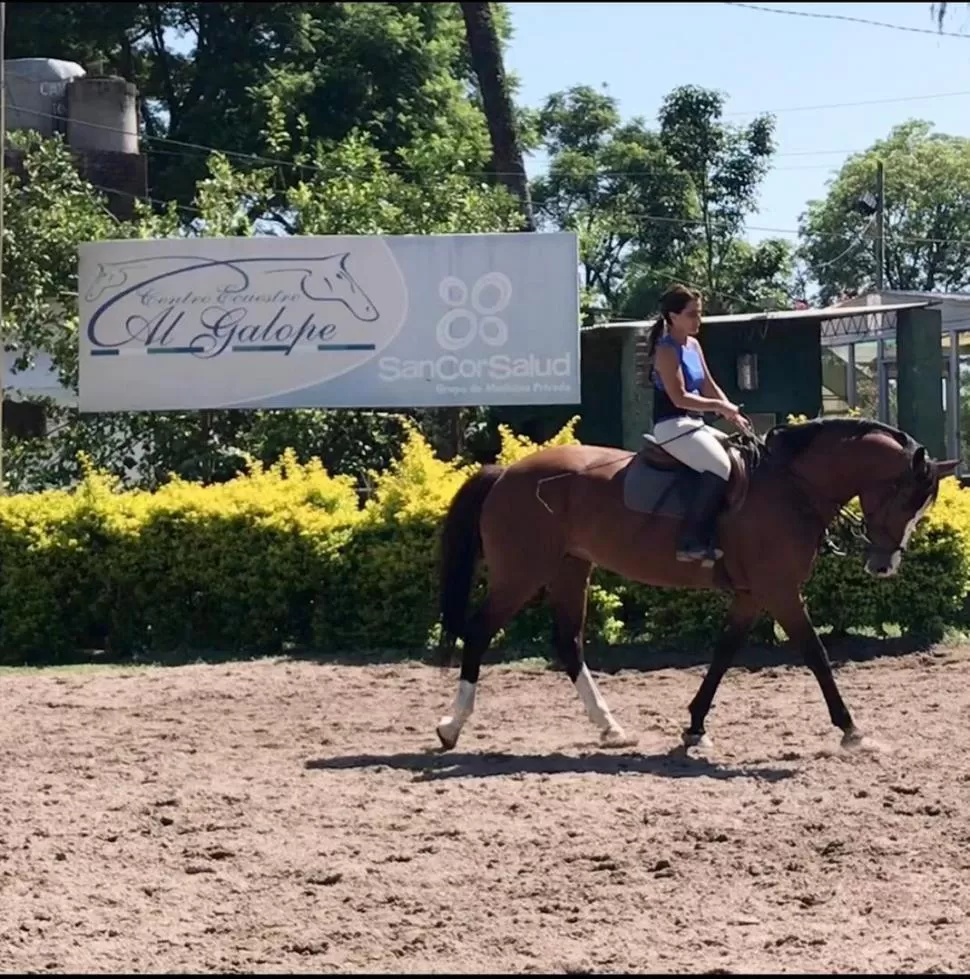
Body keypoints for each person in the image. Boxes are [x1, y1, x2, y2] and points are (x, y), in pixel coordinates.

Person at [646, 284, 750, 565]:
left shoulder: (693, 345)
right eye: (692, 314)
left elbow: (708, 385)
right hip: (671, 426)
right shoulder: (665, 351)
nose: (698, 320)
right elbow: (679, 398)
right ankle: (690, 540)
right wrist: (719, 407)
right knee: (719, 465)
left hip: (694, 425)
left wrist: (733, 413)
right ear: (673, 316)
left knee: (743, 453)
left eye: (699, 313)